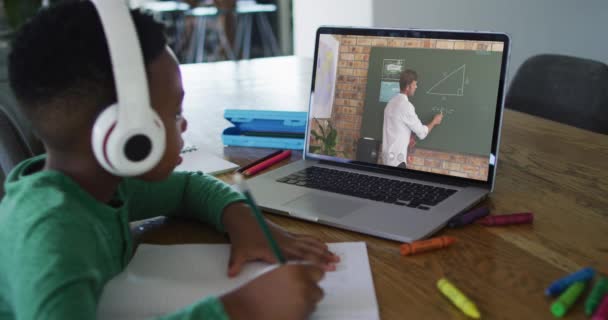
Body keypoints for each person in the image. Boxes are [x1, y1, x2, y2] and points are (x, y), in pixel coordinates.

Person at [0, 2, 338, 320]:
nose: (184, 124)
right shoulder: (50, 237)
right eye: (175, 112)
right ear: (128, 135)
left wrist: (243, 220)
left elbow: (189, 188)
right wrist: (242, 307)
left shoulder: (101, 186)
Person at [381, 69, 443, 167]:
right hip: (397, 162)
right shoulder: (406, 106)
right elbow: (422, 133)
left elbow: (396, 127)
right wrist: (434, 122)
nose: (416, 87)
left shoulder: (390, 103)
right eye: (414, 84)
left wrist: (407, 138)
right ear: (407, 87)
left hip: (386, 158)